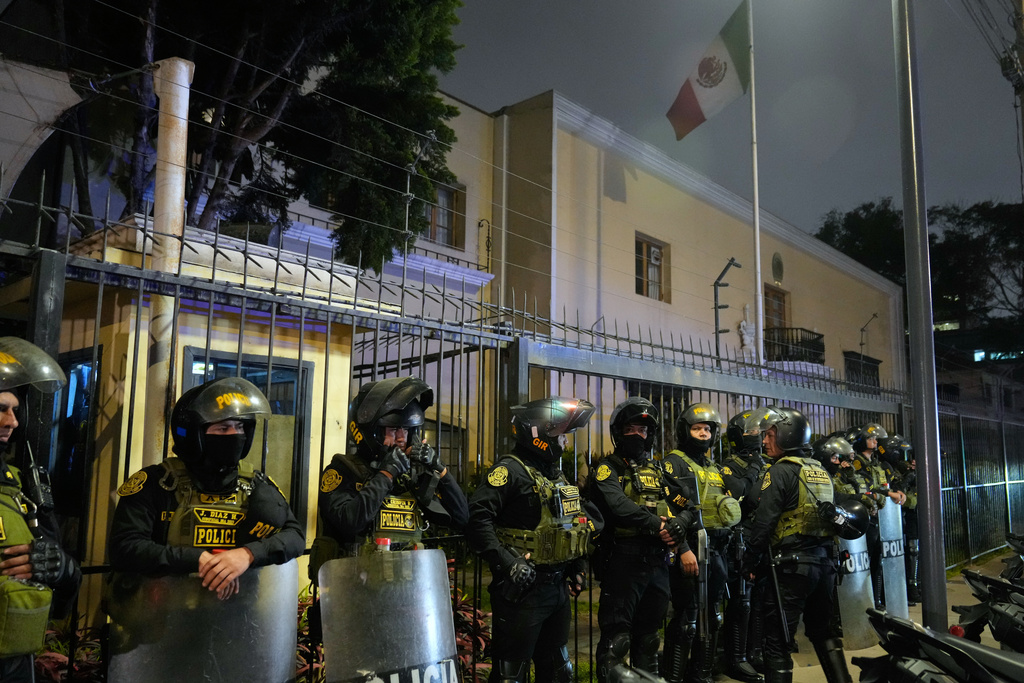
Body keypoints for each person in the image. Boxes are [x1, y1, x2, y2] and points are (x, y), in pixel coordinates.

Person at [108, 376, 305, 598]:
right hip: (165, 616)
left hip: (237, 617)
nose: (235, 435)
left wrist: (247, 554)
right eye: (223, 429)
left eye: (240, 427)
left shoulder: (255, 484)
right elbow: (124, 548)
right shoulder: (156, 483)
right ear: (193, 435)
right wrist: (197, 559)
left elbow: (295, 536)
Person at [469, 397, 601, 683]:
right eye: (559, 434)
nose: (565, 442)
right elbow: (477, 520)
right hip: (521, 593)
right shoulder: (509, 471)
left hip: (556, 590)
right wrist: (506, 562)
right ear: (537, 433)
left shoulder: (555, 475)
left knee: (558, 670)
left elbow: (568, 523)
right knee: (511, 675)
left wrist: (575, 566)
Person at [742, 406, 854, 683]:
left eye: (770, 435)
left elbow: (764, 521)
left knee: (777, 641)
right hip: (825, 566)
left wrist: (749, 561)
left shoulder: (780, 471)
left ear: (787, 435)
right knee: (824, 633)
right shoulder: (820, 471)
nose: (765, 441)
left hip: (790, 568)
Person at [587, 397, 691, 683]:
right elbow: (619, 506)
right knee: (616, 642)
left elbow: (688, 506)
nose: (637, 435)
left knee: (648, 640)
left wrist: (680, 526)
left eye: (643, 430)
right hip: (624, 561)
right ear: (619, 432)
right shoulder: (608, 469)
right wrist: (659, 523)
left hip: (658, 563)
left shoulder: (659, 471)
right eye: (631, 429)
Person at [312, 376, 468, 565]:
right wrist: (386, 474)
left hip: (404, 585)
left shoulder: (407, 479)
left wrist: (439, 468)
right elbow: (351, 522)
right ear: (372, 432)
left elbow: (461, 517)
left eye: (407, 430)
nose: (402, 438)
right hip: (354, 585)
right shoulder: (342, 470)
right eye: (393, 429)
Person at [0, 337, 82, 683]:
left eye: (15, 411)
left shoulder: (19, 487)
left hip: (14, 662)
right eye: (1, 409)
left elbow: (67, 582)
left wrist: (60, 568)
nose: (12, 421)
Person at [661, 403, 741, 683]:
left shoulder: (713, 466)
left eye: (708, 429)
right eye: (697, 428)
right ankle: (674, 677)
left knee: (713, 616)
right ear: (686, 431)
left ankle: (703, 675)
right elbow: (670, 511)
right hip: (691, 547)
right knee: (688, 619)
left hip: (717, 548)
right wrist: (681, 549)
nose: (704, 434)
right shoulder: (674, 462)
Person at [720, 410, 766, 683]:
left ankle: (756, 652)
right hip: (741, 539)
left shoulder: (766, 462)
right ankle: (737, 658)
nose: (756, 435)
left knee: (760, 600)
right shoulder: (729, 465)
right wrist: (754, 469)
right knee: (742, 601)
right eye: (750, 432)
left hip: (762, 537)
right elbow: (746, 495)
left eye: (758, 431)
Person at [845, 423, 906, 608]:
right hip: (867, 516)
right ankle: (868, 601)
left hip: (881, 517)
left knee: (878, 561)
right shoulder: (857, 464)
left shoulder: (876, 463)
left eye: (875, 439)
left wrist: (897, 491)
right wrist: (889, 494)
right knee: (867, 561)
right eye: (871, 439)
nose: (875, 441)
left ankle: (877, 599)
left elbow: (884, 483)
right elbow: (866, 488)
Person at [877, 433, 919, 603]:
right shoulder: (884, 467)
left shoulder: (896, 468)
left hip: (899, 519)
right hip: (887, 518)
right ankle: (887, 596)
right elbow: (893, 491)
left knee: (907, 553)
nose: (906, 460)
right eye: (902, 454)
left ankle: (905, 589)